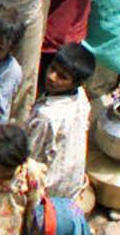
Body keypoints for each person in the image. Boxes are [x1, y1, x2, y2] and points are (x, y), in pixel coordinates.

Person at [25, 42, 96, 208]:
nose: (52, 77)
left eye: (62, 77)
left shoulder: (47, 115)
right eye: (52, 68)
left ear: (76, 83)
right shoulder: (80, 97)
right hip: (71, 186)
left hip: (48, 190)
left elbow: (31, 157)